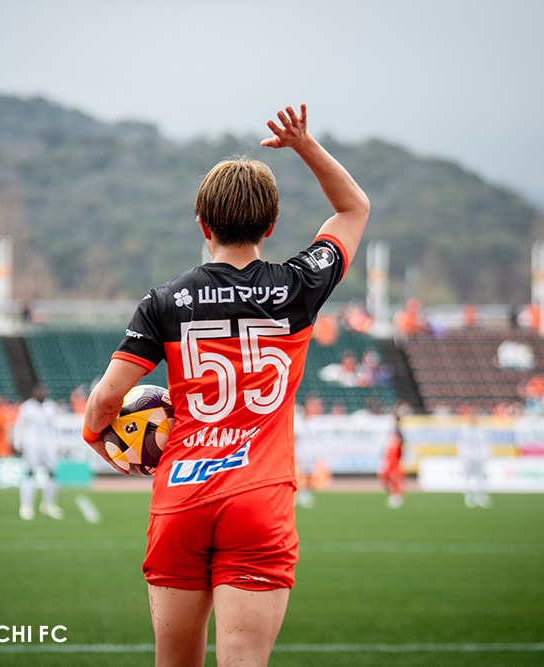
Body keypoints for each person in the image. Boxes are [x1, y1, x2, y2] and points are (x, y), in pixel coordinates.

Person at [82, 104, 370, 667]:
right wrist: (304, 144)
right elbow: (353, 207)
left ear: (203, 225)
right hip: (258, 498)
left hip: (181, 496)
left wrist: (100, 439)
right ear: (270, 225)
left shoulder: (164, 302)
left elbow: (108, 399)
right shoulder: (299, 286)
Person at [14, 385, 64, 520]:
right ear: (34, 393)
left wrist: (57, 443)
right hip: (31, 445)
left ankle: (48, 504)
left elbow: (56, 426)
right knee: (29, 473)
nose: (42, 393)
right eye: (39, 391)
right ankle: (26, 506)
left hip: (49, 445)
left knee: (52, 473)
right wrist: (18, 443)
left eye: (43, 391)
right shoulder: (26, 407)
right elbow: (19, 426)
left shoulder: (51, 406)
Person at [457, 410, 491, 508]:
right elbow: (460, 444)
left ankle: (480, 495)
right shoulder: (465, 430)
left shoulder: (481, 431)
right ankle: (468, 496)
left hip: (478, 458)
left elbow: (484, 444)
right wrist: (462, 456)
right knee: (467, 477)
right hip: (468, 457)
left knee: (480, 477)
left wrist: (484, 456)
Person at [379, 418, 405, 508]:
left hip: (395, 465)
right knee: (384, 479)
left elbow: (401, 445)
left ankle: (397, 496)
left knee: (396, 480)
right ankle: (394, 494)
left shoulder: (398, 441)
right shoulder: (388, 440)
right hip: (388, 464)